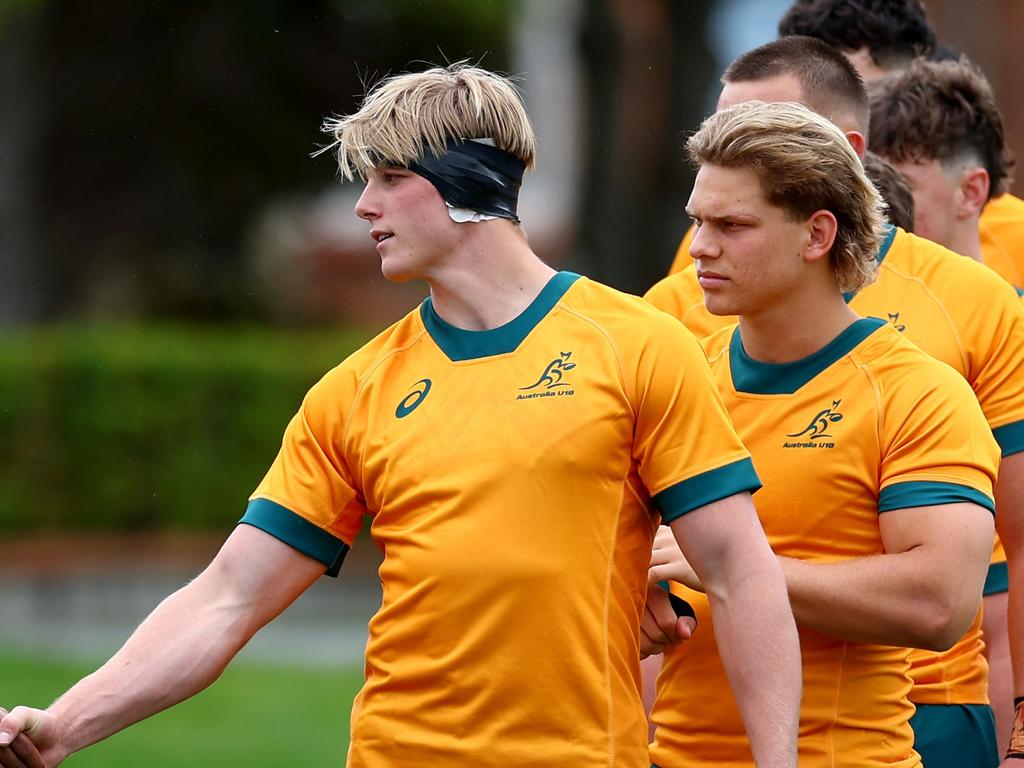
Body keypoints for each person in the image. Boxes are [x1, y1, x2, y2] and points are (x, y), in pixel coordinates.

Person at [0, 64, 802, 768]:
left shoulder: (636, 346)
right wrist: (63, 726)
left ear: (465, 185)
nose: (363, 207)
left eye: (387, 177)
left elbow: (740, 572)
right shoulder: (354, 391)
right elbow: (228, 596)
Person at [644, 37, 1024, 768]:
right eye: (697, 221)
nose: (698, 249)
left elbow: (939, 604)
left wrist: (732, 568)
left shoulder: (918, 391)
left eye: (732, 227)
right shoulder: (676, 374)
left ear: (818, 234)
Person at [868, 57, 1024, 763]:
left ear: (972, 191)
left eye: (902, 185)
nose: (873, 202)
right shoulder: (797, 317)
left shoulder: (993, 322)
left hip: (951, 684)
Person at [776, 0, 1024, 289]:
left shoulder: (1012, 238)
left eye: (860, 100)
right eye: (812, 112)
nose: (841, 137)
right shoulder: (753, 230)